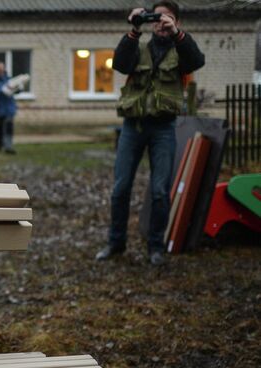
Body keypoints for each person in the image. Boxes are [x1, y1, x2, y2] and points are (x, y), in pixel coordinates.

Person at [95, 0, 205, 265]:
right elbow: (120, 64)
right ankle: (115, 243)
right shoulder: (139, 47)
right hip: (133, 127)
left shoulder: (181, 50)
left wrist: (178, 34)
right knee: (120, 189)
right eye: (156, 17)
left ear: (176, 22)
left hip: (163, 129)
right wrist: (134, 30)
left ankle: (156, 247)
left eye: (167, 18)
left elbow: (196, 61)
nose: (160, 22)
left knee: (159, 190)